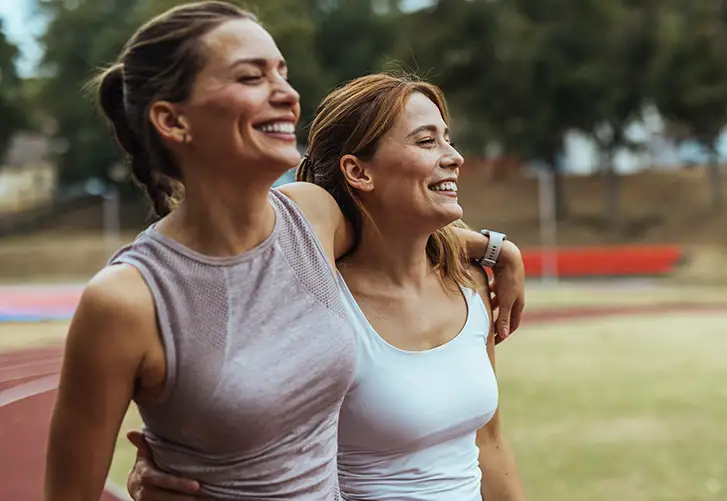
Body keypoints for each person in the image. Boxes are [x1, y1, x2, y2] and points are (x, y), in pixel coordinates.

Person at [43, 3, 526, 501]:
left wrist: (494, 249)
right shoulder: (126, 300)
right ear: (172, 119)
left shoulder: (312, 216)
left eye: (282, 72)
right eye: (251, 77)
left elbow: (392, 230)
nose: (287, 94)